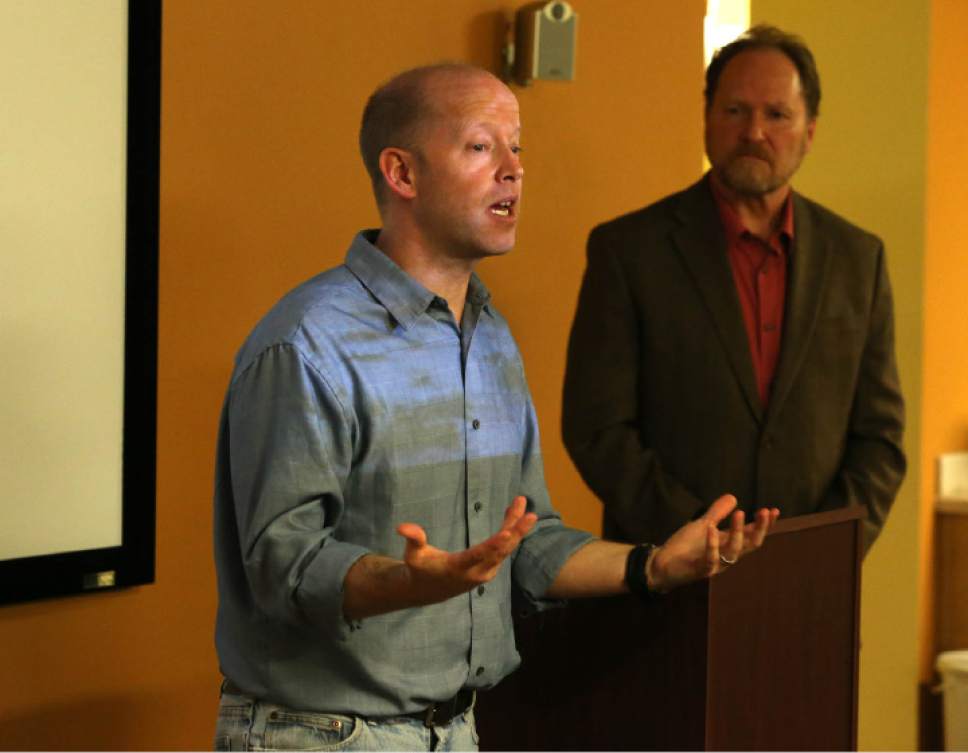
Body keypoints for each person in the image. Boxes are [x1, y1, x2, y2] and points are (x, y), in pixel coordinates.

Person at [212, 63, 777, 752]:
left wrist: (654, 565)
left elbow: (528, 541)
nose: (513, 169)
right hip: (323, 734)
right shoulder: (305, 344)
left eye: (518, 147)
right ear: (402, 173)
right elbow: (285, 569)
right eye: (483, 147)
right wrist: (407, 581)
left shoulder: (490, 338)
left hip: (458, 729)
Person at [562, 26, 905, 554]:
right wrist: (701, 538)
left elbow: (879, 438)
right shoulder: (629, 251)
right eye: (735, 111)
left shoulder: (859, 259)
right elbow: (597, 428)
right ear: (706, 117)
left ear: (809, 131)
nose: (754, 132)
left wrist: (817, 545)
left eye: (777, 115)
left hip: (812, 583)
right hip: (665, 581)